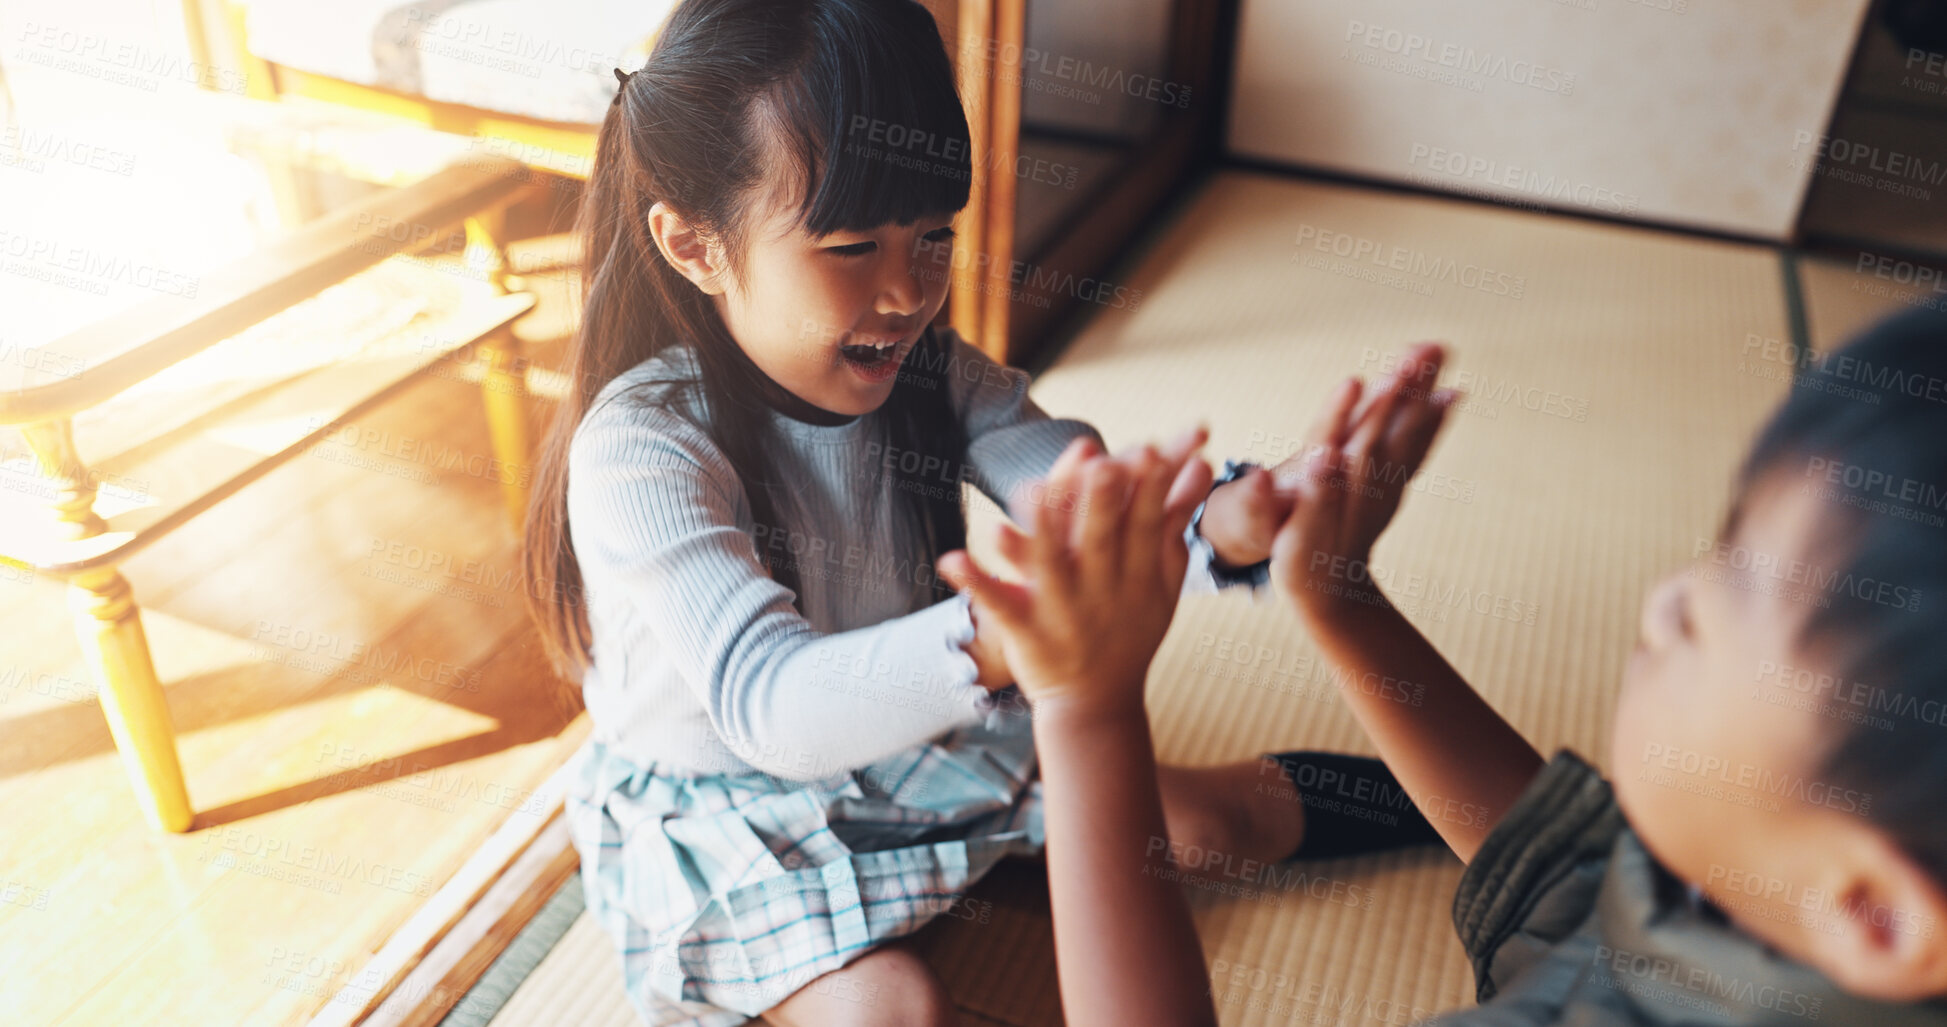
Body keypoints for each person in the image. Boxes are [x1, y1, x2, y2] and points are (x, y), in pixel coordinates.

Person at [519, 1, 1438, 1022]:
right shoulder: (642, 446)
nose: (909, 289)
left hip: (908, 732)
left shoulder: (934, 374)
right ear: (695, 247)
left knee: (1211, 822)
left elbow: (1087, 495)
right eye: (853, 245)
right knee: (891, 1005)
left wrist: (1240, 515)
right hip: (724, 805)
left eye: (933, 235)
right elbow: (773, 704)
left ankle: (1546, 823)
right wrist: (1016, 638)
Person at [941, 317, 1947, 1027]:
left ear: (1876, 912)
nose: (1666, 599)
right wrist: (1338, 596)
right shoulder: (1775, 890)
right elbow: (1577, 883)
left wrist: (1090, 713)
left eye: (1729, 598)